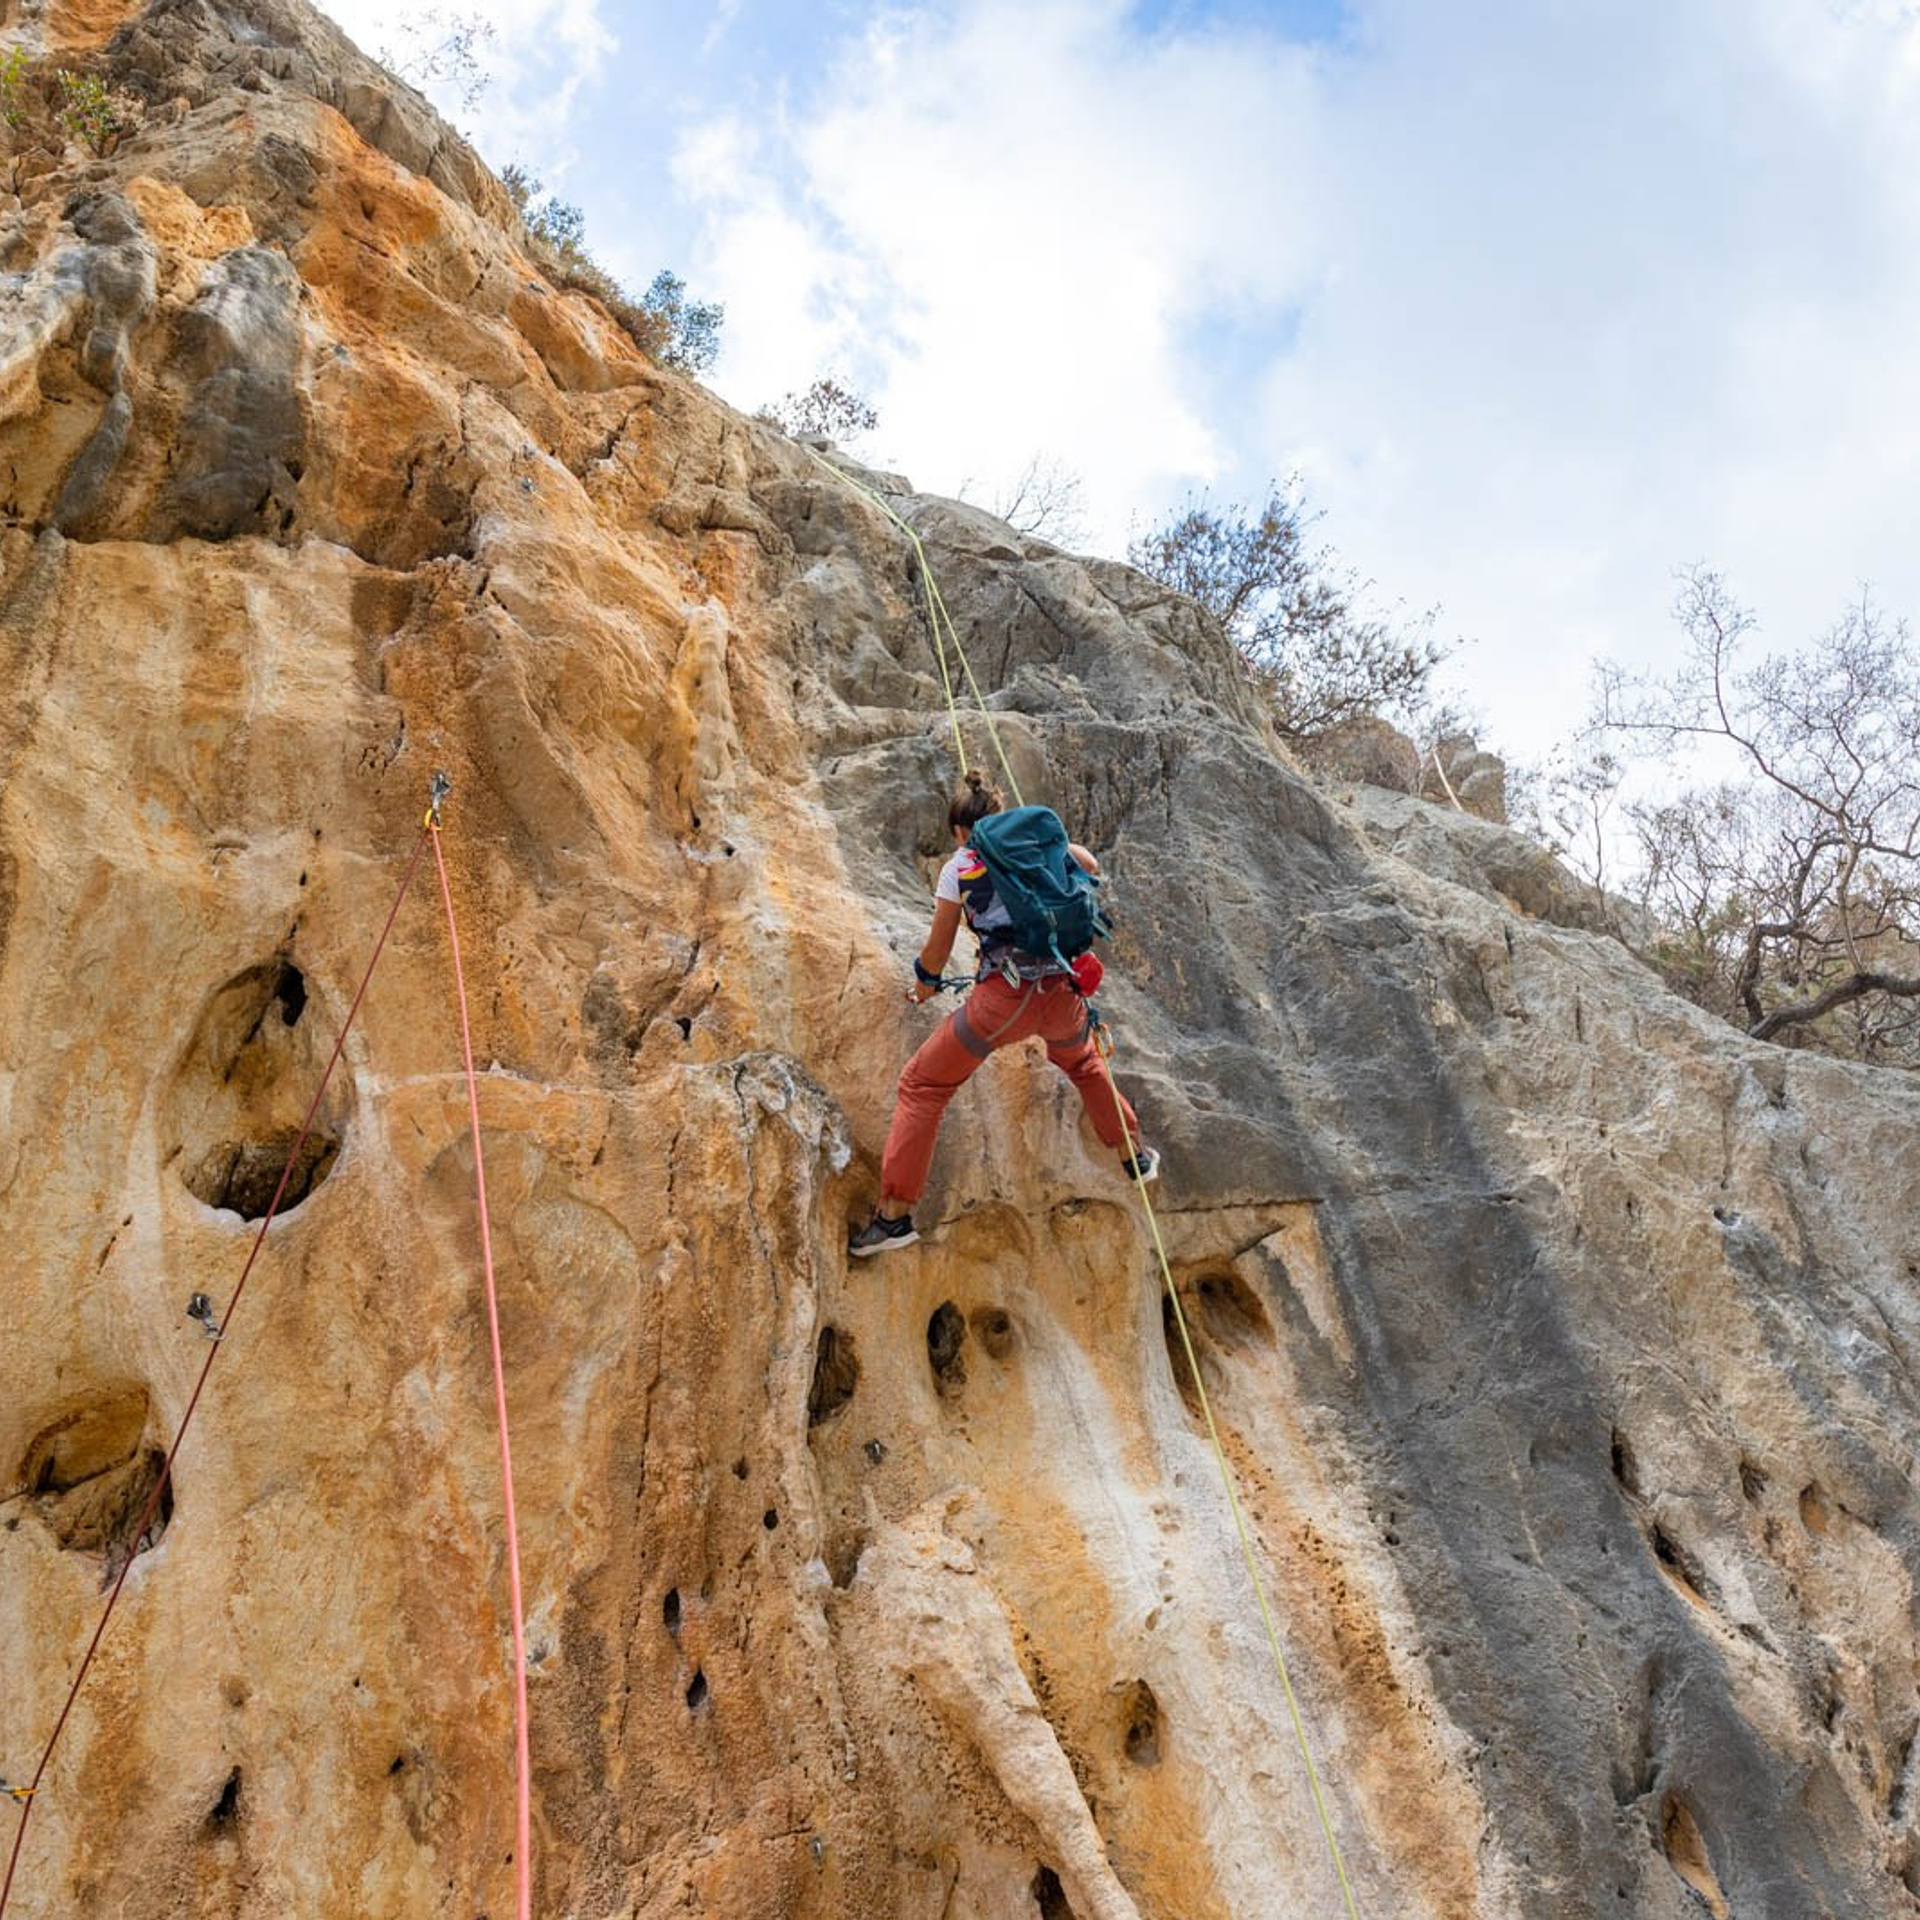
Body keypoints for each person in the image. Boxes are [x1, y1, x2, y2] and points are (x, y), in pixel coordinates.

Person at [849, 772, 1160, 1257]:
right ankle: (1133, 1155)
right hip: (1061, 997)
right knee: (1083, 1064)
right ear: (1001, 817)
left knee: (923, 1085)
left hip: (1002, 1004)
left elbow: (937, 951)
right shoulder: (1041, 849)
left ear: (959, 831)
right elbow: (1088, 862)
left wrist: (925, 984)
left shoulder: (960, 867)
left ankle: (893, 1217)